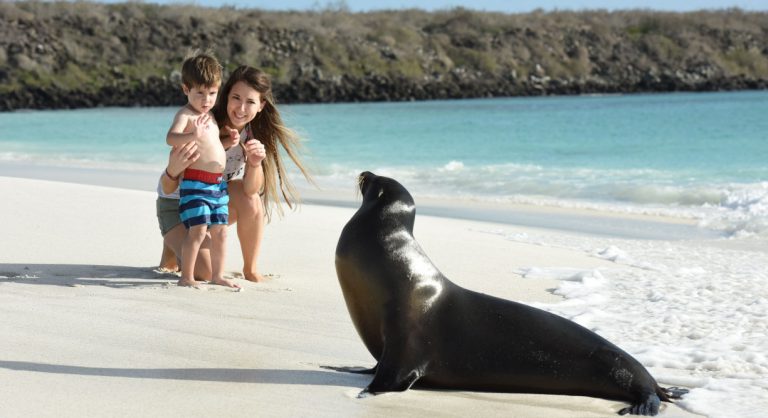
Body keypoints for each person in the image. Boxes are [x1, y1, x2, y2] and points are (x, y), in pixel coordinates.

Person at [158, 65, 312, 283]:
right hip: (177, 203)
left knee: (251, 200)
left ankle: (250, 269)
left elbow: (251, 191)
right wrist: (173, 170)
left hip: (212, 198)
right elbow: (168, 188)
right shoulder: (204, 124)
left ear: (261, 106)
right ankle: (174, 241)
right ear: (226, 97)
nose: (241, 108)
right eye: (236, 98)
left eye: (250, 102)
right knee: (205, 273)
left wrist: (256, 163)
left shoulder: (252, 135)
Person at [165, 53, 238, 289]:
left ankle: (218, 275)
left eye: (212, 93)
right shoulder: (185, 115)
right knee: (197, 231)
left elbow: (212, 149)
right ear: (186, 89)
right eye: (200, 93)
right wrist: (190, 135)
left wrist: (230, 142)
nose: (207, 100)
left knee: (221, 232)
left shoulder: (210, 117)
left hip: (218, 185)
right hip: (195, 185)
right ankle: (186, 277)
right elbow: (170, 138)